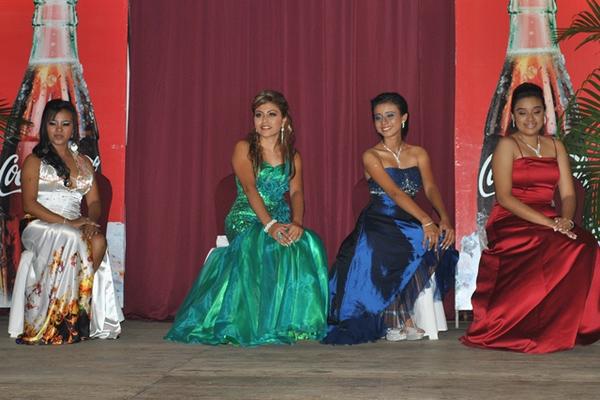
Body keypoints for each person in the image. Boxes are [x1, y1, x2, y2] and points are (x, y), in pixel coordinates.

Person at [165, 90, 328, 346]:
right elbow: (250, 189)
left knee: (308, 243)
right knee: (263, 243)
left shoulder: (293, 156)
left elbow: (296, 192)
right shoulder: (244, 148)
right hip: (245, 216)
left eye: (272, 114)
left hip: (279, 214)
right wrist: (270, 226)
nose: (264, 120)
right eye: (259, 115)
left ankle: (292, 322)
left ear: (284, 120)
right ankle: (247, 321)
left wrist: (297, 222)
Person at [461, 82, 600, 353]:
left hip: (549, 217)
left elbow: (568, 195)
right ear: (513, 116)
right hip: (511, 217)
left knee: (585, 244)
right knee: (546, 240)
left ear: (545, 115)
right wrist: (550, 224)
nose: (530, 118)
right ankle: (523, 324)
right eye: (522, 113)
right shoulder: (507, 145)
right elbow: (504, 198)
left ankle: (569, 323)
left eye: (536, 112)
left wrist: (566, 221)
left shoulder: (555, 146)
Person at [323, 92, 457, 345]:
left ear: (404, 118)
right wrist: (427, 222)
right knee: (405, 242)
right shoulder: (371, 155)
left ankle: (400, 316)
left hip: (411, 217)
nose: (384, 122)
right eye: (378, 117)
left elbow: (430, 188)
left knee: (436, 240)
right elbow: (393, 192)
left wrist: (444, 219)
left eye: (390, 116)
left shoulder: (419, 153)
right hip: (380, 218)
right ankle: (401, 319)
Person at [8, 99, 123, 344]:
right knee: (70, 236)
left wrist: (90, 221)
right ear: (45, 128)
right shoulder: (34, 161)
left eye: (65, 124)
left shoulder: (84, 163)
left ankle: (74, 312)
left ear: (73, 129)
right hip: (38, 224)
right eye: (53, 124)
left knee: (100, 241)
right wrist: (68, 223)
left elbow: (94, 203)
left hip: (74, 224)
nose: (58, 130)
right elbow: (29, 205)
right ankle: (56, 322)